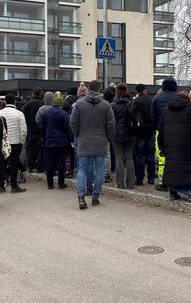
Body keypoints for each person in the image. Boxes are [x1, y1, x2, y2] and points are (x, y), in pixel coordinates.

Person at [70, 80, 115, 209]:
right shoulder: (106, 105)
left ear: (89, 89)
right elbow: (111, 124)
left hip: (84, 139)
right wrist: (107, 136)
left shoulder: (79, 104)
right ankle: (95, 197)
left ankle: (81, 196)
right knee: (100, 169)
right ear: (99, 89)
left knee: (82, 169)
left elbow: (73, 122)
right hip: (101, 140)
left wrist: (79, 134)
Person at [158, 91, 191, 202]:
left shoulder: (166, 110)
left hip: (170, 144)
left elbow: (161, 129)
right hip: (186, 143)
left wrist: (161, 146)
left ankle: (173, 192)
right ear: (187, 98)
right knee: (188, 168)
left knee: (172, 168)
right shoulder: (189, 109)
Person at [151, 78, 178, 190]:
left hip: (160, 131)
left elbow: (152, 116)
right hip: (177, 131)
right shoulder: (179, 97)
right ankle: (175, 181)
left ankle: (162, 182)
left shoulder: (157, 98)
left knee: (162, 157)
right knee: (176, 157)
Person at [0, 95, 28, 193]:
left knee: (1, 163)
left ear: (5, 102)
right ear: (14, 101)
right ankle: (14, 185)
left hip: (3, 142)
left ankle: (1, 185)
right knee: (14, 163)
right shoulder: (19, 114)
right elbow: (23, 130)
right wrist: (22, 142)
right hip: (15, 142)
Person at [42, 94, 73, 190]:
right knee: (61, 162)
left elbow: (42, 127)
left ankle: (50, 184)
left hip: (49, 140)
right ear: (61, 104)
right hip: (61, 141)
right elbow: (67, 128)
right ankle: (61, 183)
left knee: (50, 162)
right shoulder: (63, 113)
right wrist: (70, 140)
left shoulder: (46, 113)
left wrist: (44, 138)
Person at [130, 83, 156, 186]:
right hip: (150, 130)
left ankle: (140, 178)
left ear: (137, 91)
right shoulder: (151, 100)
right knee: (150, 155)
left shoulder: (135, 101)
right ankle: (151, 178)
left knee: (139, 156)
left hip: (139, 131)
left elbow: (132, 115)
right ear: (145, 90)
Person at [111, 83, 136, 189]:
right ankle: (131, 183)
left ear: (117, 92)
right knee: (129, 158)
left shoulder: (113, 105)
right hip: (131, 132)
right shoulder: (132, 103)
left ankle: (120, 183)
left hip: (116, 133)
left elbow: (110, 121)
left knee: (119, 158)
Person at [23, 88, 45, 173]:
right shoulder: (43, 104)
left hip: (30, 130)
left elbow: (25, 118)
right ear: (40, 94)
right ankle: (39, 166)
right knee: (40, 149)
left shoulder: (27, 105)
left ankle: (30, 166)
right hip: (40, 130)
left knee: (30, 149)